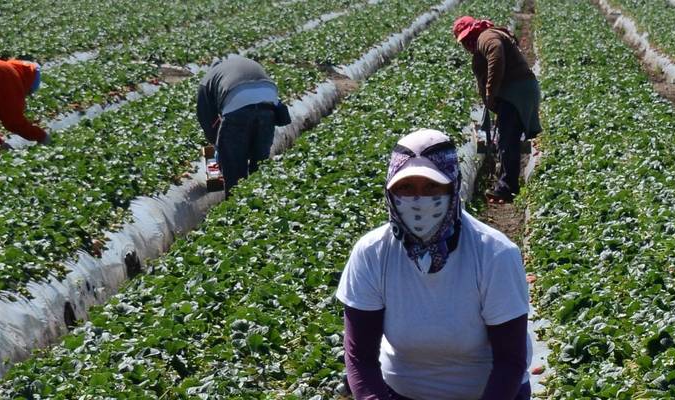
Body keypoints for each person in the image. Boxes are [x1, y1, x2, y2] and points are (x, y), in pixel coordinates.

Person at [337, 129, 532, 399]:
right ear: (390, 191)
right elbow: (360, 358)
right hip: (400, 391)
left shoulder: (494, 254)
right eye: (406, 188)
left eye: (432, 187)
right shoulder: (372, 253)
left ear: (453, 186)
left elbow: (510, 362)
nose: (418, 200)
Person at [452, 16, 542, 204]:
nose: (467, 44)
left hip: (516, 92)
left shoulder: (486, 37)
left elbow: (496, 54)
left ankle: (507, 187)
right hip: (518, 91)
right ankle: (506, 184)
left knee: (508, 140)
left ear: (474, 31)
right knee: (506, 139)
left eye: (468, 38)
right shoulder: (486, 38)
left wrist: (490, 91)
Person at [196, 55, 292, 195]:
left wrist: (217, 145)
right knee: (259, 162)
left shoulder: (208, 79)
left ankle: (236, 204)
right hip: (268, 102)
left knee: (234, 166)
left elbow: (206, 118)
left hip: (237, 103)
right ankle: (259, 202)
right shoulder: (243, 65)